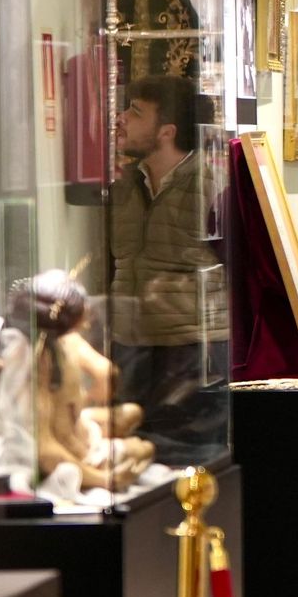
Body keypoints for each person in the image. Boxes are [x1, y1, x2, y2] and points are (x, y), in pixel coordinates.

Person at [110, 75, 228, 465]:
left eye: (135, 111)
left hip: (191, 349)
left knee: (189, 463)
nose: (121, 118)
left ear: (167, 131)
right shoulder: (124, 183)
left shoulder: (212, 184)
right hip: (131, 345)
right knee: (138, 463)